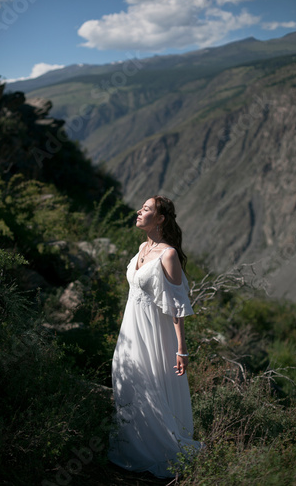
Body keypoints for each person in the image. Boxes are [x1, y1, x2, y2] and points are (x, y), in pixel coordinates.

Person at [108, 195, 201, 478]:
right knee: (127, 379)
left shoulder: (168, 254)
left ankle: (162, 452)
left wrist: (181, 348)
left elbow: (177, 305)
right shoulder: (141, 248)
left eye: (146, 209)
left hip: (154, 334)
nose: (139, 211)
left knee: (151, 384)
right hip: (131, 329)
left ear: (160, 219)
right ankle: (134, 448)